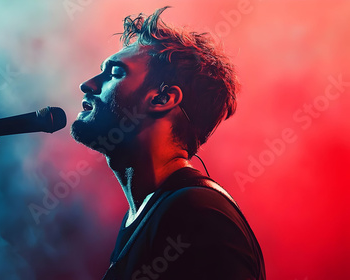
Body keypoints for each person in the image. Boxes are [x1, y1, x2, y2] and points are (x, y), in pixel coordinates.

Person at [70, 6, 266, 280]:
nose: (88, 84)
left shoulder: (199, 215)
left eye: (115, 73)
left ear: (163, 99)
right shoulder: (151, 215)